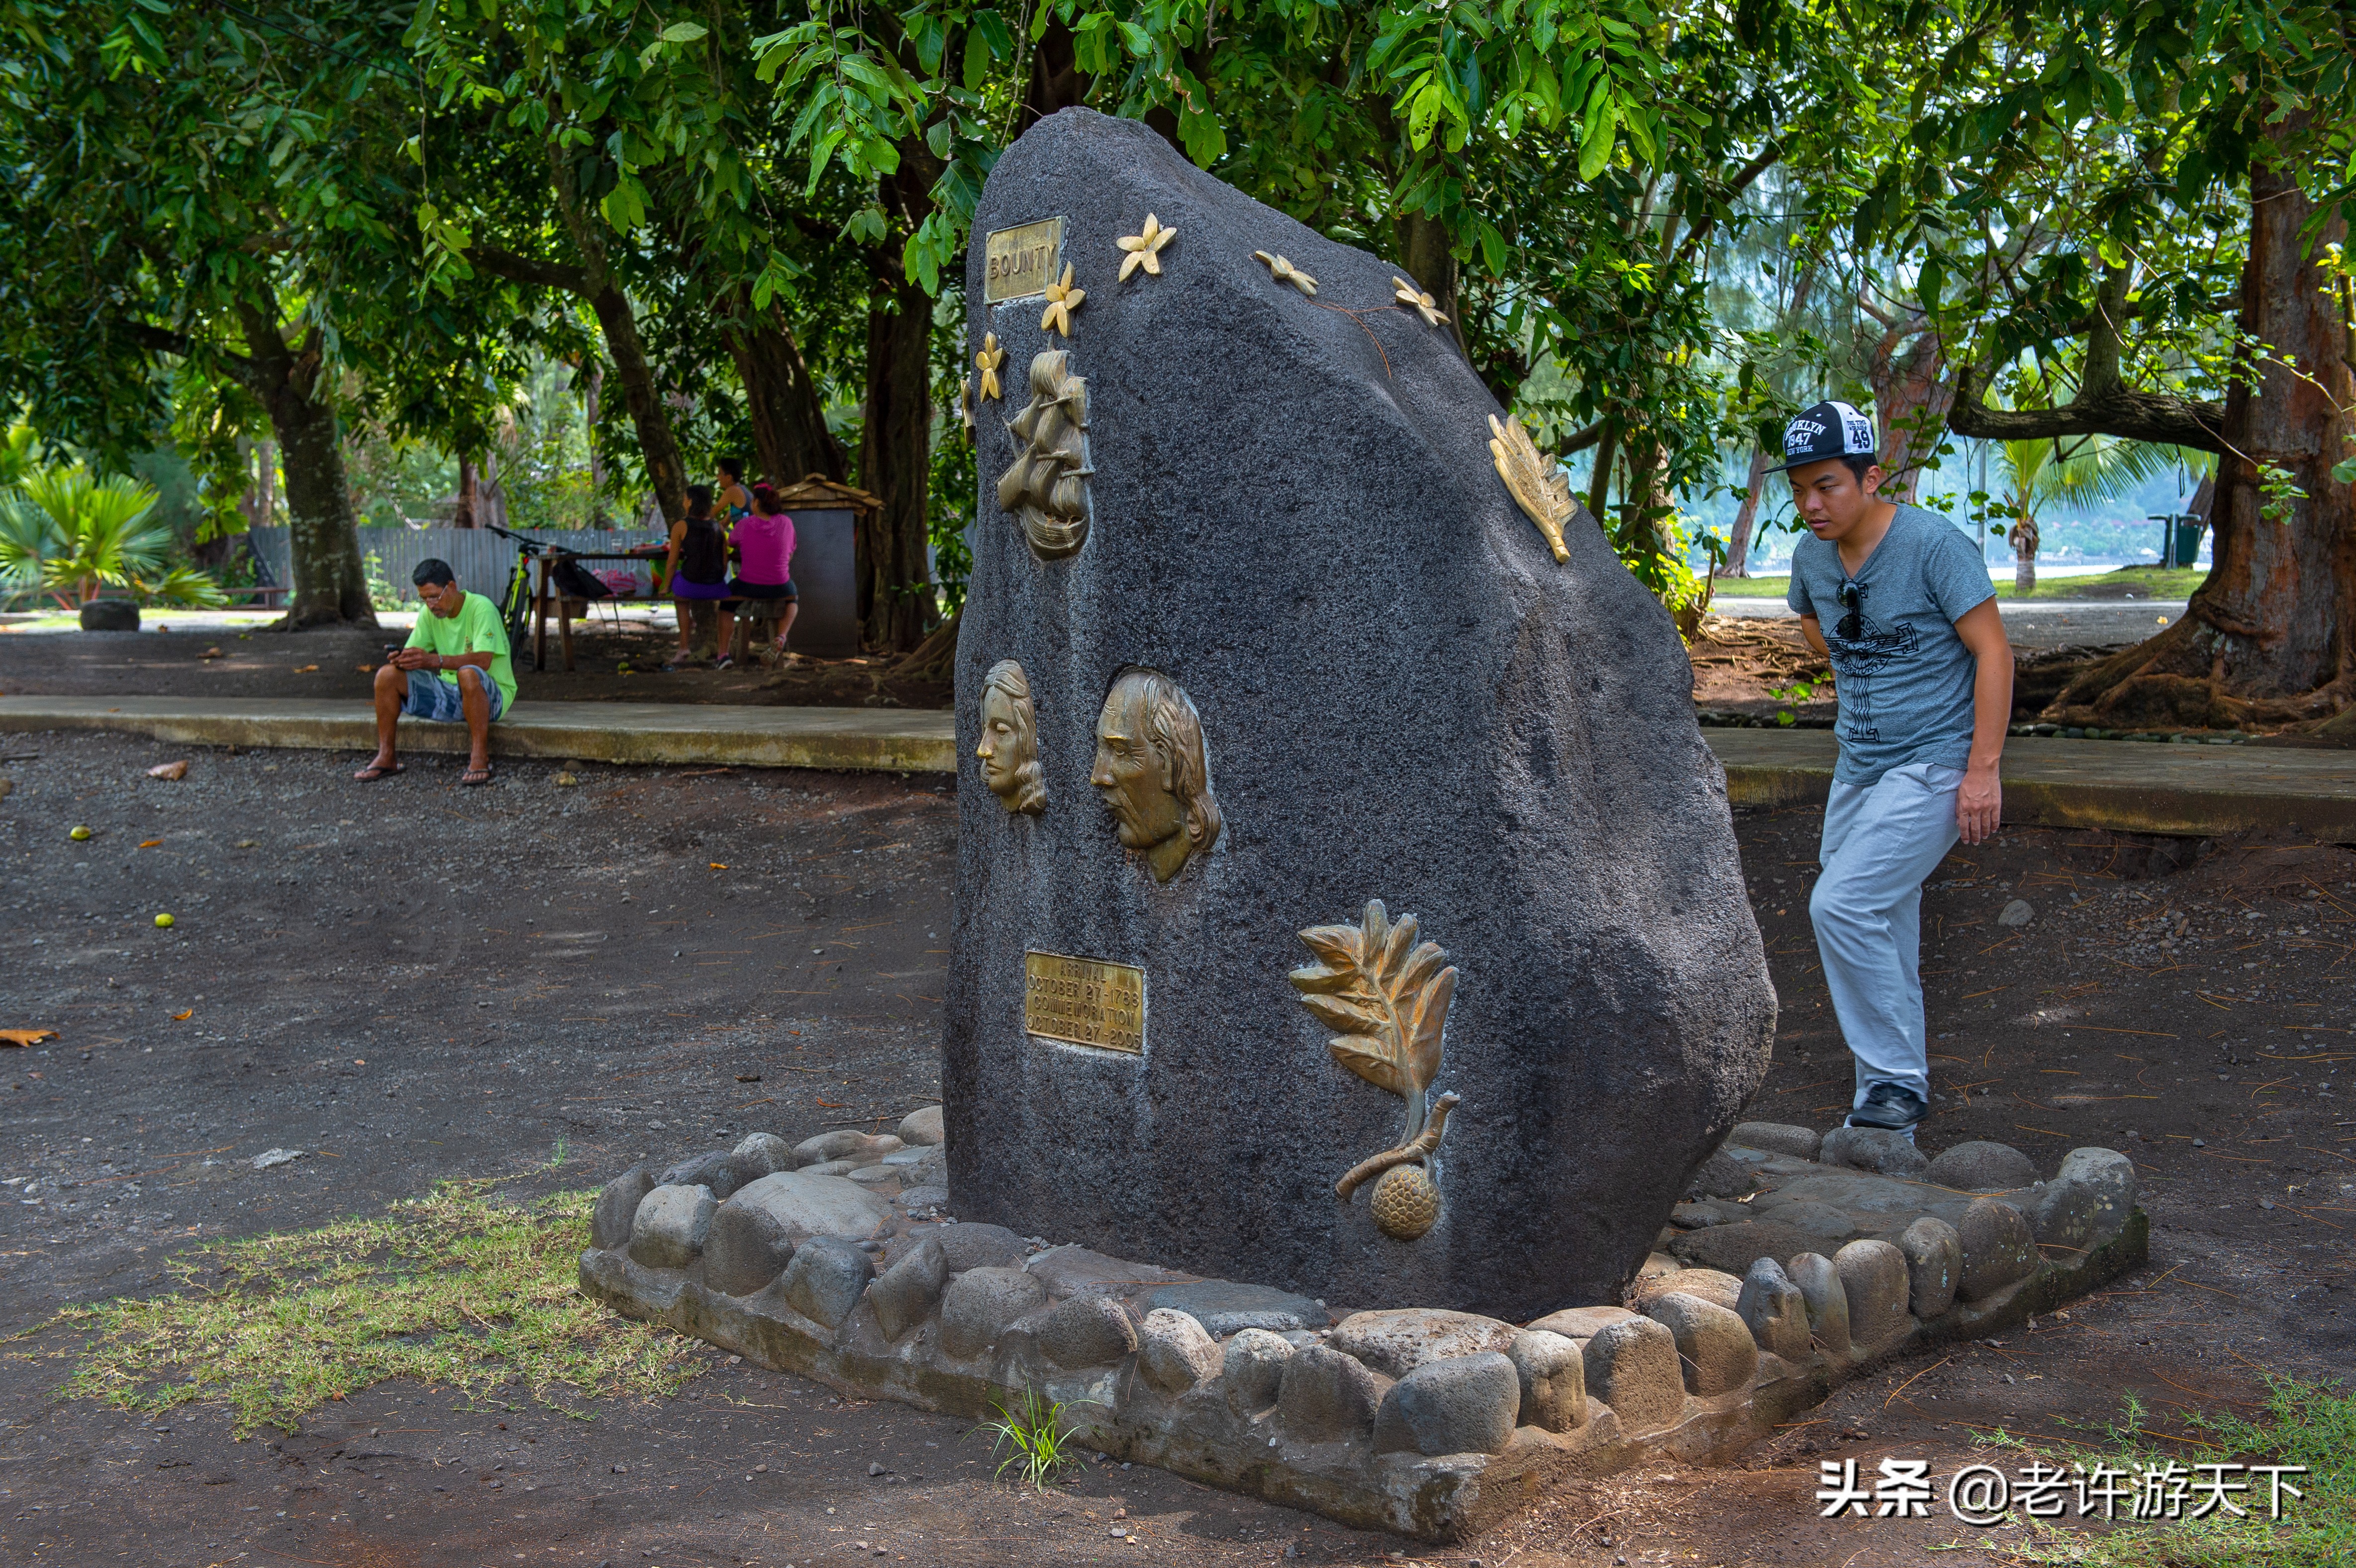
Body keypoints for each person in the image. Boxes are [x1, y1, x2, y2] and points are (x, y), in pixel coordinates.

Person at [1778, 399, 2013, 1140]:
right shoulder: (1812, 556)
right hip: (1860, 769)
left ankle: (1892, 1086)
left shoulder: (1932, 545)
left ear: (1871, 478)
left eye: (1828, 486)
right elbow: (1819, 632)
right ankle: (1888, 1102)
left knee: (1841, 906)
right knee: (1880, 917)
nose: (1811, 504)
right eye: (1799, 490)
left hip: (1935, 763)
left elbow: (1995, 653)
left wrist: (1983, 770)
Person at [354, 558, 515, 786]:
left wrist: (434, 660)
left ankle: (479, 757)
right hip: (451, 695)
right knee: (387, 675)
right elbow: (416, 652)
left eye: (434, 596)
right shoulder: (429, 614)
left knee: (468, 673)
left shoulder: (482, 608)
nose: (430, 604)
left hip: (491, 698)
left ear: (451, 587)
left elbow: (483, 660)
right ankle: (386, 757)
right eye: (424, 598)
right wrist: (403, 659)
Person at [728, 481, 799, 667]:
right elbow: (790, 552)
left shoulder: (745, 524)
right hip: (779, 586)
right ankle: (781, 637)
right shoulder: (787, 523)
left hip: (748, 585)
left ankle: (723, 653)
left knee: (725, 599)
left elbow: (731, 542)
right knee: (793, 599)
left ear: (757, 503)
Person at [665, 485, 734, 670]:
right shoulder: (718, 527)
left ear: (690, 502)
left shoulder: (681, 526)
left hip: (690, 585)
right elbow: (725, 561)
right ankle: (722, 653)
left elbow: (672, 562)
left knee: (680, 600)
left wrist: (665, 587)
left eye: (685, 498)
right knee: (724, 608)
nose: (683, 501)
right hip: (717, 586)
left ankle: (684, 647)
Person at [716, 457, 754, 523]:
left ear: (729, 477)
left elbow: (712, 513)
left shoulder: (733, 490)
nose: (717, 476)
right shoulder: (741, 489)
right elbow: (724, 523)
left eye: (720, 473)